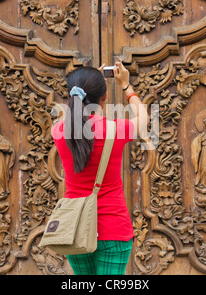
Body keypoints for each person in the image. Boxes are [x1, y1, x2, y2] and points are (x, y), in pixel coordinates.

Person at [51, 62, 148, 275]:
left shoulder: (58, 130)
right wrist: (126, 87)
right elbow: (144, 119)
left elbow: (74, 116)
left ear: (72, 98)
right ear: (103, 98)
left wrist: (90, 81)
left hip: (74, 228)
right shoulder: (115, 129)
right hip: (113, 228)